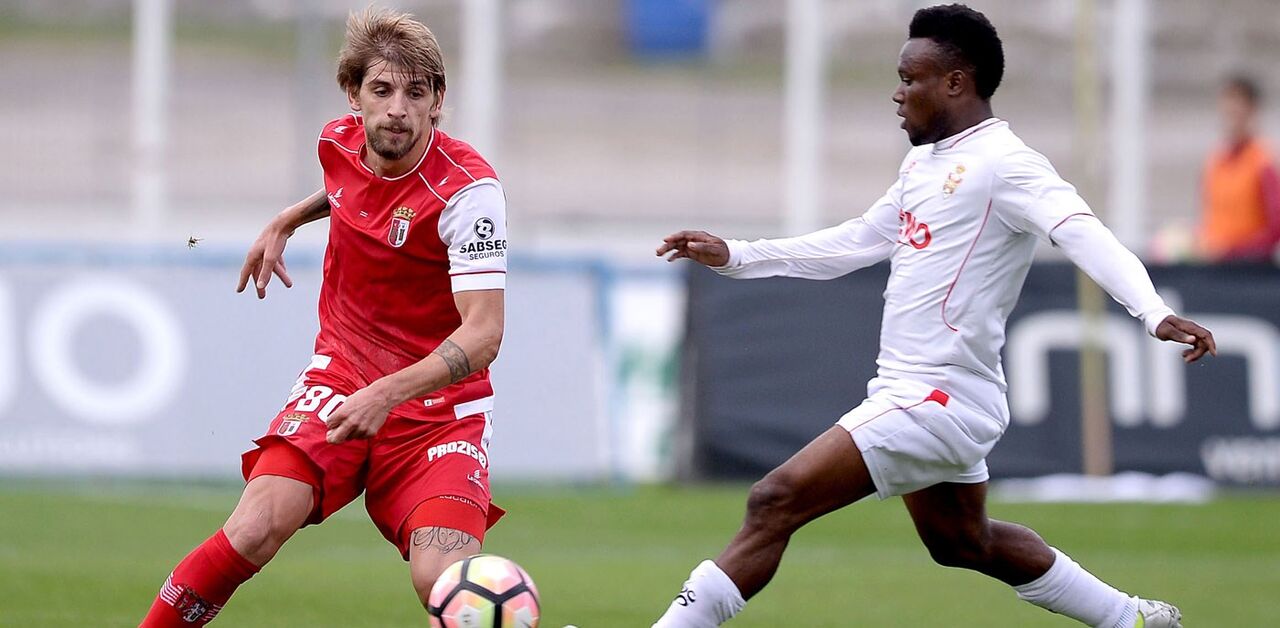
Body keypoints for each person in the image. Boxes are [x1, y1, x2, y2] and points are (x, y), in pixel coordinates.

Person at [652, 5, 1215, 628]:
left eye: (909, 79)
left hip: (937, 398)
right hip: (924, 394)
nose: (898, 94)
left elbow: (1081, 230)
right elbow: (855, 243)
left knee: (774, 498)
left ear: (955, 82)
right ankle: (1132, 619)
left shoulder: (1005, 162)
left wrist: (1152, 311)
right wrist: (738, 255)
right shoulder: (922, 165)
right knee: (962, 542)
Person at [140, 8, 509, 626]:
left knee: (445, 582)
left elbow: (485, 333)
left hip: (438, 411)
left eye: (416, 93)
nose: (398, 110)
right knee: (255, 526)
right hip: (340, 377)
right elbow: (349, 183)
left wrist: (386, 395)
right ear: (353, 96)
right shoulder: (336, 141)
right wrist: (287, 219)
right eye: (382, 91)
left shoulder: (469, 194)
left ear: (438, 101)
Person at [1198, 74, 1280, 262]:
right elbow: (1211, 218)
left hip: (1249, 268)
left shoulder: (1263, 161)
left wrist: (1235, 250)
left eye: (1238, 106)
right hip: (1215, 265)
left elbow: (1275, 227)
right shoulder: (1215, 161)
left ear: (1252, 110)